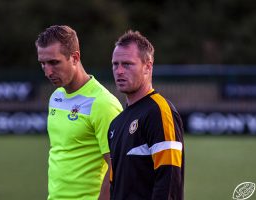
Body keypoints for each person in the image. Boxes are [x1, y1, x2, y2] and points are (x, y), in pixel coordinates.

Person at [35, 25, 122, 200]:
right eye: (43, 64)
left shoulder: (103, 103)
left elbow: (118, 167)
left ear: (75, 58)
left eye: (54, 62)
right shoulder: (56, 96)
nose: (48, 71)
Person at [108, 30, 184, 200]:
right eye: (115, 64)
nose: (119, 71)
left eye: (127, 64)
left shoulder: (159, 111)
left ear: (147, 66)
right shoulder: (116, 123)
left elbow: (169, 182)